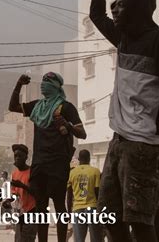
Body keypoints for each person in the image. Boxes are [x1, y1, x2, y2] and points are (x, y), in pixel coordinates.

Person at [91, 0, 159, 241]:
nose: (115, 10)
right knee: (109, 216)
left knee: (141, 221)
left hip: (144, 145)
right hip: (118, 141)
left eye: (121, 5)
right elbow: (96, 14)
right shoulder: (123, 38)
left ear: (137, 8)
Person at [9, 72, 87, 242]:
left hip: (58, 165)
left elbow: (83, 133)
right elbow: (13, 106)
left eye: (48, 81)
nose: (43, 84)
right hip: (39, 165)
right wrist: (19, 84)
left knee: (59, 206)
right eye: (42, 81)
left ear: (57, 86)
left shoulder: (65, 107)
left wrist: (68, 126)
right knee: (41, 209)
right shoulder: (38, 106)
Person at [66, 150, 102, 242]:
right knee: (96, 239)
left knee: (79, 240)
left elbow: (69, 194)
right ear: (89, 159)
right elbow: (97, 192)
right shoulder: (95, 171)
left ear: (79, 159)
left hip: (77, 209)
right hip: (93, 208)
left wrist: (69, 211)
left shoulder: (72, 172)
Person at [7, 144, 37, 242]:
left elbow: (37, 193)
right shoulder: (14, 174)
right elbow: (15, 194)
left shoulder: (32, 172)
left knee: (27, 239)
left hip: (32, 211)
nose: (17, 158)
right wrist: (8, 201)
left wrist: (22, 186)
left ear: (26, 157)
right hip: (19, 213)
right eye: (16, 156)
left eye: (20, 156)